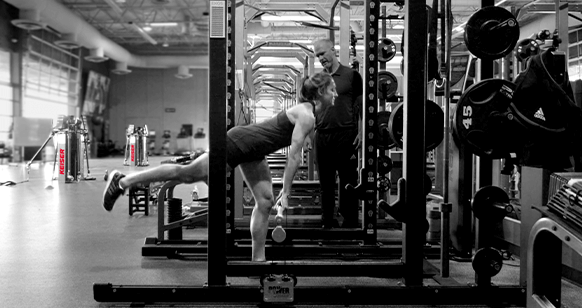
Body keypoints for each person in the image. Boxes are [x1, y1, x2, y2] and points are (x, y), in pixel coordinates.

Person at [102, 72, 338, 262]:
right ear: (319, 93)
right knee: (185, 175)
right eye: (331, 89)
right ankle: (123, 181)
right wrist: (286, 193)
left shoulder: (308, 115)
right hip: (237, 143)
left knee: (265, 202)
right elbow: (294, 157)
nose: (336, 93)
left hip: (253, 151)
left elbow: (296, 146)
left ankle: (258, 260)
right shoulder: (306, 115)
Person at [312, 39, 363, 228]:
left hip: (346, 134)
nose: (321, 58)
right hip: (323, 135)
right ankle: (327, 221)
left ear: (333, 51)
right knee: (325, 183)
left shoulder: (351, 76)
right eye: (317, 55)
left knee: (348, 180)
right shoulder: (317, 79)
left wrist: (362, 131)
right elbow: (312, 108)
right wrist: (310, 135)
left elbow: (361, 106)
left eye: (323, 53)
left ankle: (350, 221)